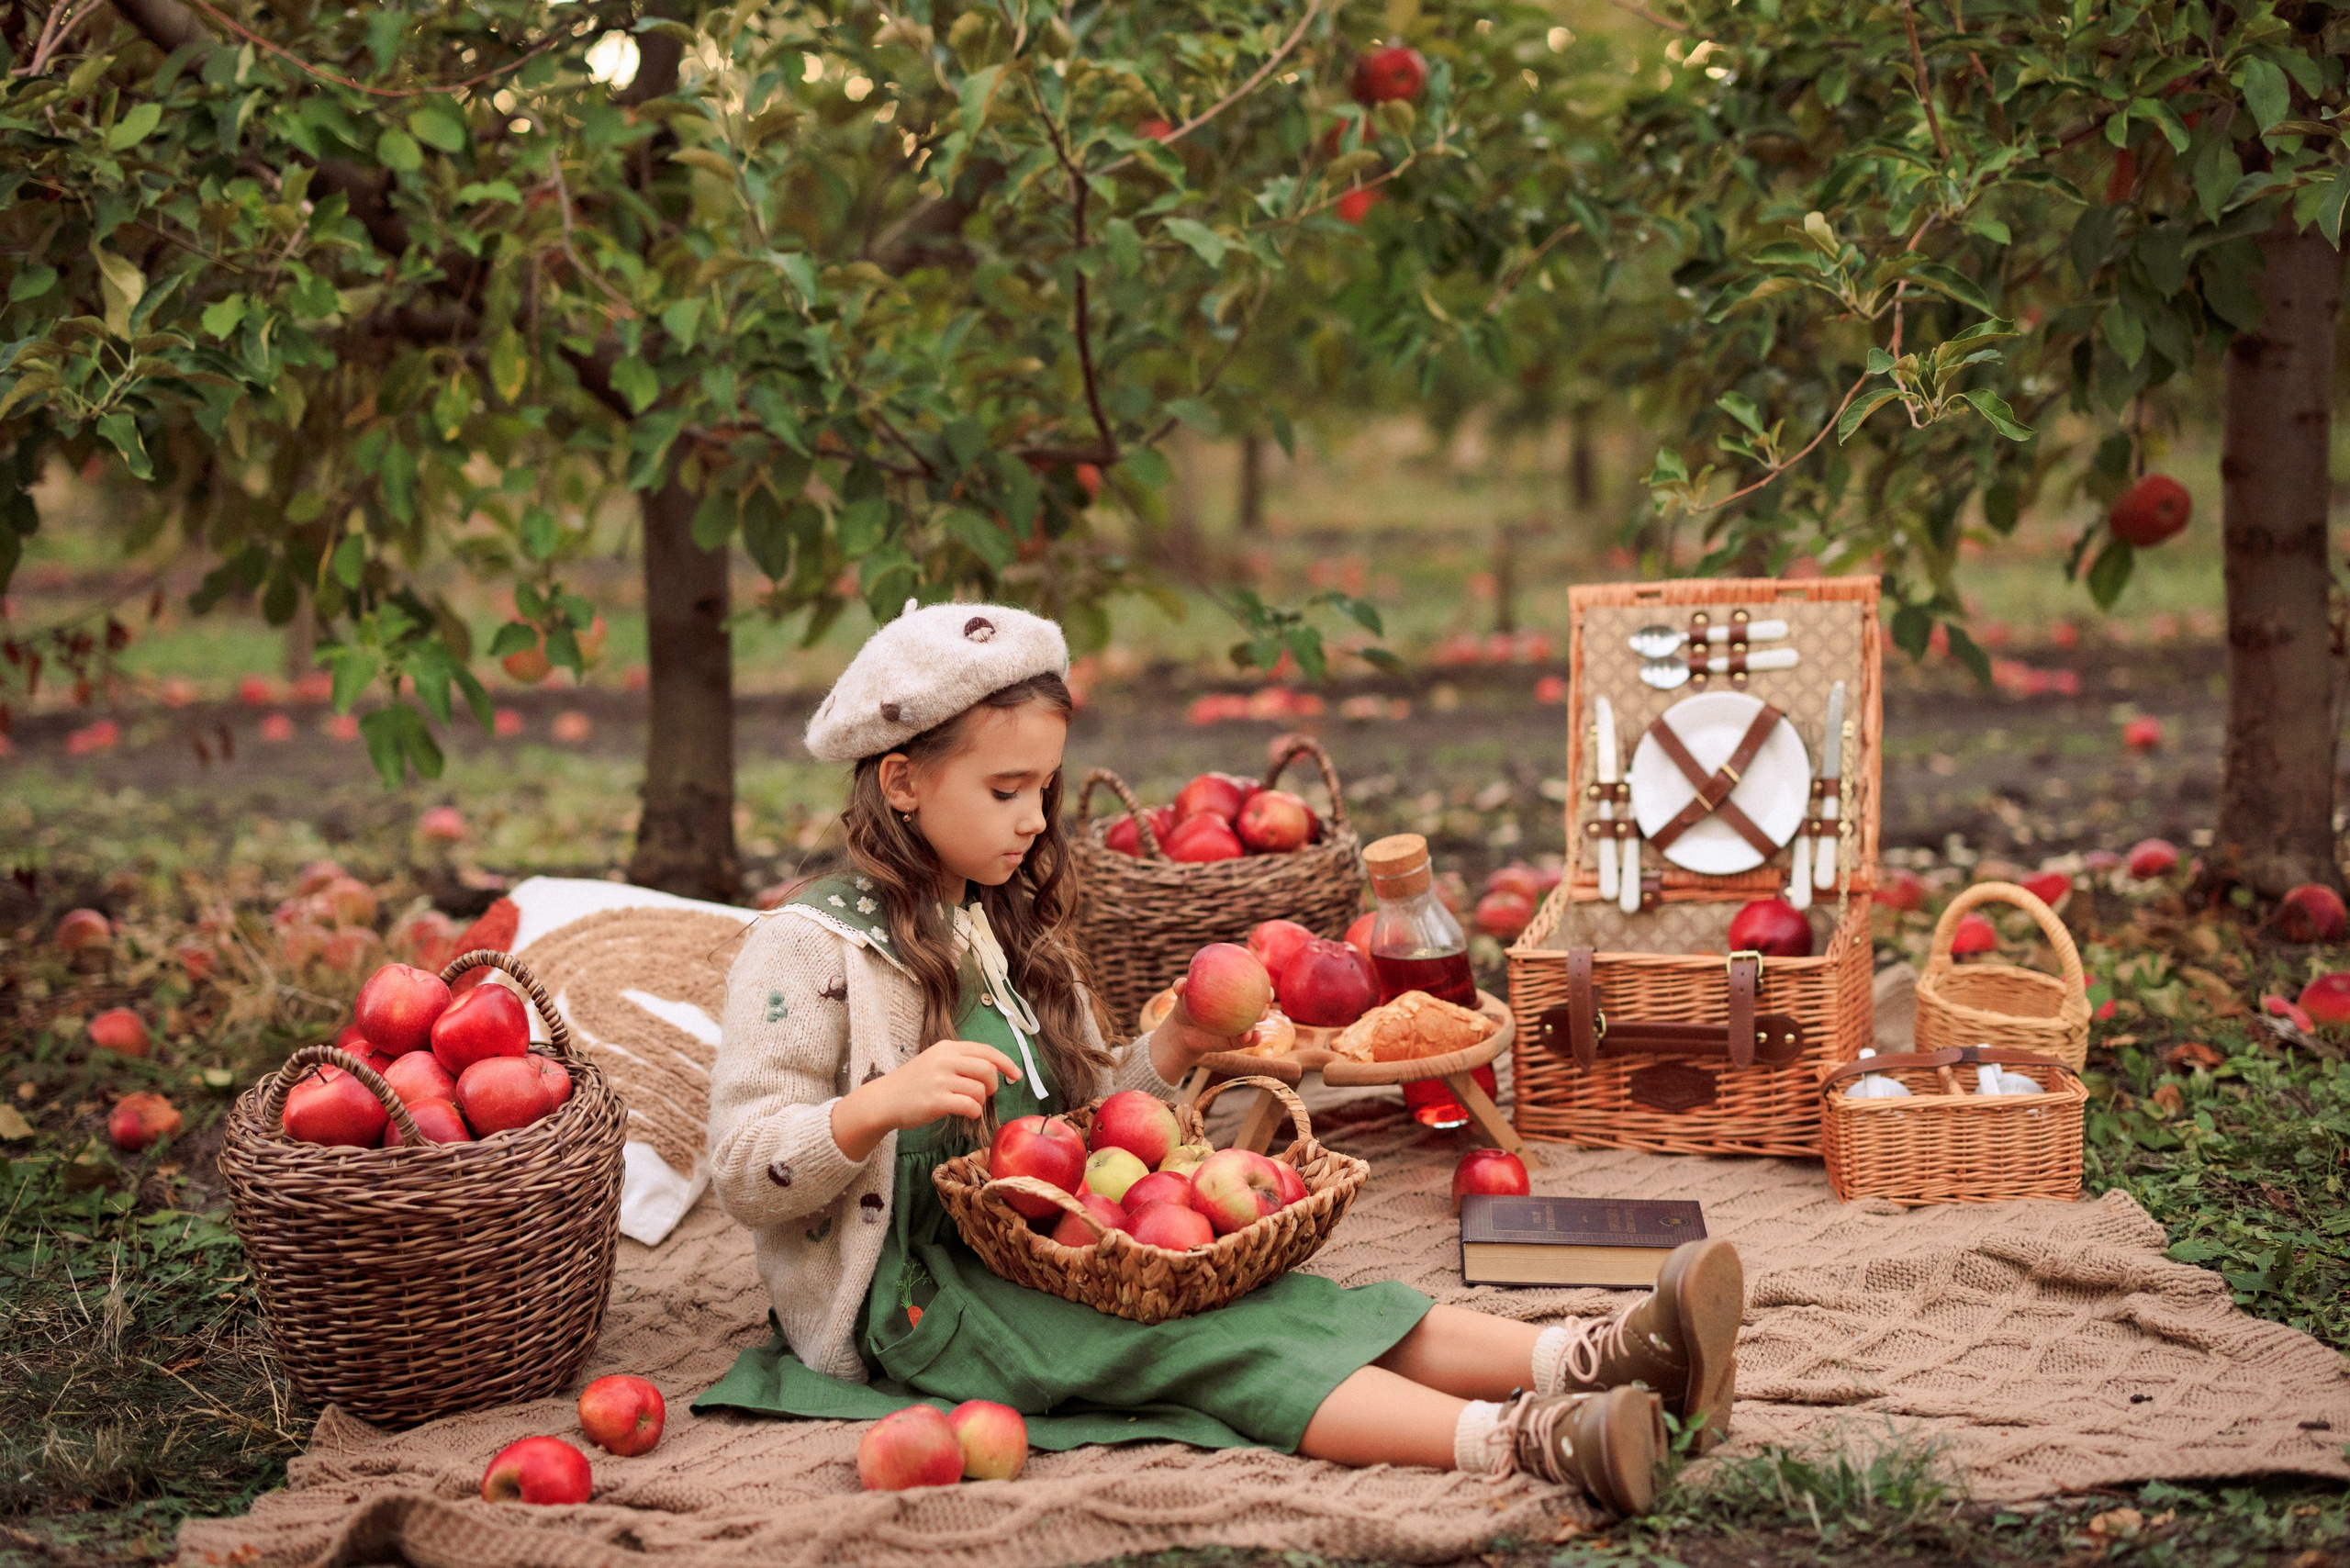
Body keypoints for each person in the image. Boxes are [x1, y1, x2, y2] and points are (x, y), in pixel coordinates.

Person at [696, 600, 1744, 1512]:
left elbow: (1093, 1123)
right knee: (1192, 1344)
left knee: (1284, 1302)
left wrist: (1179, 1043)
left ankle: (1593, 1357)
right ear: (903, 782)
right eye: (1006, 789)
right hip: (921, 1299)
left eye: (1044, 792)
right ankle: (1526, 1441)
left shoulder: (999, 928)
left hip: (1067, 1238)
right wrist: (874, 1105)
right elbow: (743, 1166)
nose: (1032, 820)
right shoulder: (808, 948)